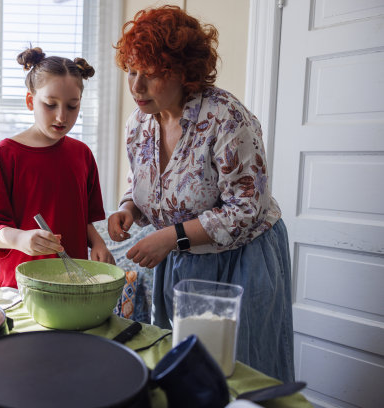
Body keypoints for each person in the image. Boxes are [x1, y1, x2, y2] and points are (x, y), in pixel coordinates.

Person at [108, 5, 294, 383]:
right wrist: (129, 207)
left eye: (152, 74)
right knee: (180, 371)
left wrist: (171, 236)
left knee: (235, 375)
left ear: (183, 73)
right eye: (131, 71)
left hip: (238, 262)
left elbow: (246, 210)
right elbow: (143, 182)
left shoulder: (227, 119)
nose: (136, 87)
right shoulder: (139, 122)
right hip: (177, 259)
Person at [0, 47, 114, 289]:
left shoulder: (82, 155)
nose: (62, 116)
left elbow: (84, 219)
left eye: (72, 106)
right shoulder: (8, 153)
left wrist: (98, 243)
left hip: (72, 284)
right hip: (19, 285)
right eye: (50, 104)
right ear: (31, 101)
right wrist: (20, 238)